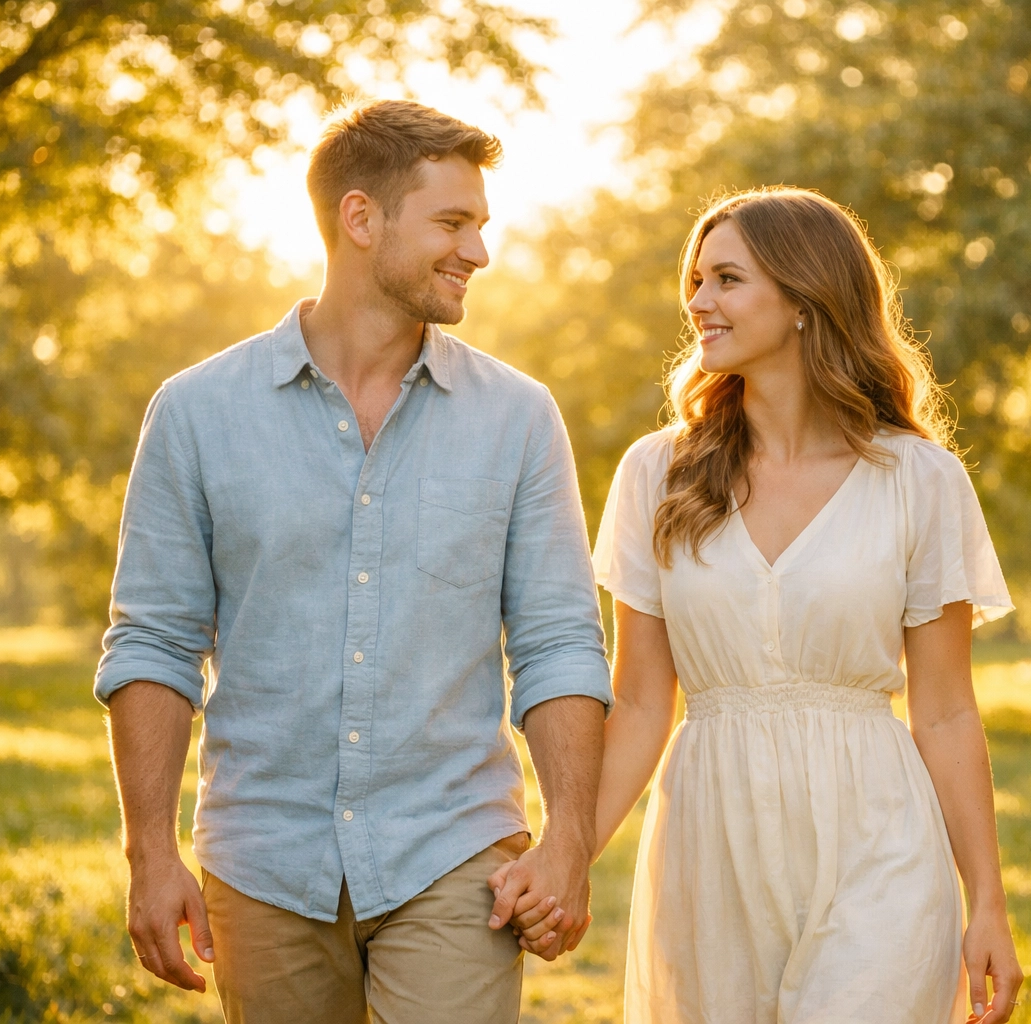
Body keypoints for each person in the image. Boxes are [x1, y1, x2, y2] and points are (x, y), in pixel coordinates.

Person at [95, 99, 610, 1024]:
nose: (479, 252)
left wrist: (570, 837)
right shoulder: (197, 412)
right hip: (263, 859)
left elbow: (560, 643)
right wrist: (151, 853)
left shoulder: (519, 418)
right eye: (453, 224)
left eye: (481, 226)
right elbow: (155, 645)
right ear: (361, 219)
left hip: (454, 849)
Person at [495, 187, 1024, 1022]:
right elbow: (638, 701)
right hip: (713, 840)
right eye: (696, 283)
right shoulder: (658, 473)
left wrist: (987, 898)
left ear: (806, 298)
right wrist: (569, 855)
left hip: (878, 833)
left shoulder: (919, 479)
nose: (698, 303)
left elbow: (949, 711)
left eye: (727, 280)